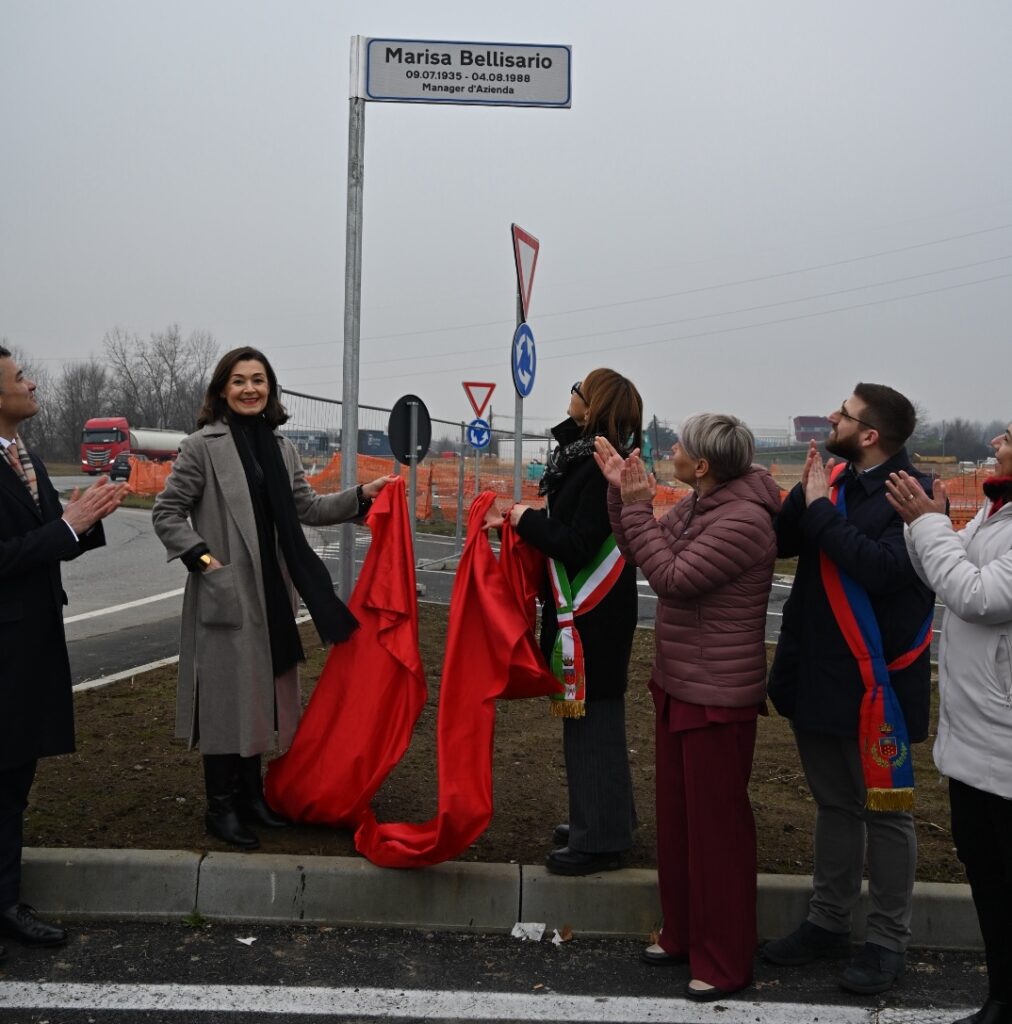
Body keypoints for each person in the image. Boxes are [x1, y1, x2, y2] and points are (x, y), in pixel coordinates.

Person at [152, 347, 393, 850]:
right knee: (224, 700)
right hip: (226, 590)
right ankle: (220, 807)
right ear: (222, 390)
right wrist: (204, 561)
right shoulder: (201, 446)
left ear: (270, 389)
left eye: (258, 380)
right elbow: (167, 513)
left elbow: (306, 506)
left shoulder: (281, 449)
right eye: (238, 381)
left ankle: (251, 797)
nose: (249, 389)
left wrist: (361, 495)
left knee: (260, 695)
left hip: (272, 591)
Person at [596, 415, 780, 1001]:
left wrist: (642, 507)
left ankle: (724, 960)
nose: (670, 449)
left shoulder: (746, 520)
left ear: (702, 466)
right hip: (679, 683)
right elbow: (636, 544)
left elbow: (671, 576)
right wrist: (620, 492)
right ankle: (682, 934)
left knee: (717, 832)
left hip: (717, 696)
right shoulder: (703, 503)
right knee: (678, 825)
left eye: (680, 446)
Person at [763, 383, 935, 996]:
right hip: (818, 676)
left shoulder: (916, 494)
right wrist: (798, 501)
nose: (831, 417)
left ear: (870, 435)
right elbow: (787, 543)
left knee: (886, 815)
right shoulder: (830, 482)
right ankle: (828, 921)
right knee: (835, 805)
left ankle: (888, 939)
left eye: (844, 413)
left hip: (876, 687)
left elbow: (885, 571)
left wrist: (818, 510)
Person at [485, 370, 642, 875]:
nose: (570, 391)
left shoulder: (598, 466)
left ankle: (600, 840)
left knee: (593, 720)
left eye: (579, 386)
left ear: (592, 403)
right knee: (591, 722)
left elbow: (576, 542)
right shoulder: (584, 457)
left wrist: (521, 519)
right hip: (590, 611)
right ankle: (601, 819)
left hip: (594, 613)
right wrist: (525, 517)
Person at [0, 346, 124, 959]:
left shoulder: (21, 455)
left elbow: (51, 537)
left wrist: (87, 515)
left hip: (30, 646)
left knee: (13, 779)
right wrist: (66, 525)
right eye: (19, 376)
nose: (30, 382)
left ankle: (5, 901)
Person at [886, 425, 1012, 1024]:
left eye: (1010, 433)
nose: (996, 437)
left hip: (1005, 741)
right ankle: (1002, 998)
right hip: (978, 734)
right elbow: (945, 569)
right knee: (986, 873)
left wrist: (929, 526)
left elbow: (976, 596)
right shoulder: (997, 507)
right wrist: (924, 524)